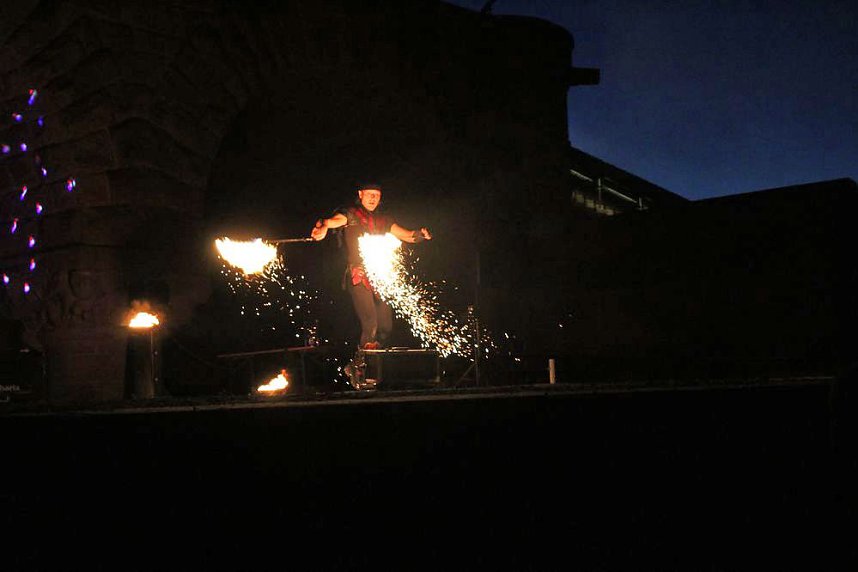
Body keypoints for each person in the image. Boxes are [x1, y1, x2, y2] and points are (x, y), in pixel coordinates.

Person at [310, 184, 431, 386]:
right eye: (369, 195)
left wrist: (420, 235)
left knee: (385, 327)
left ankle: (357, 363)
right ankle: (363, 375)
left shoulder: (384, 219)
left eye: (377, 195)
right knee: (371, 324)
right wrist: (322, 226)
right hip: (359, 275)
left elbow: (407, 235)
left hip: (381, 275)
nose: (373, 198)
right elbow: (331, 222)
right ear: (360, 195)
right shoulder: (351, 214)